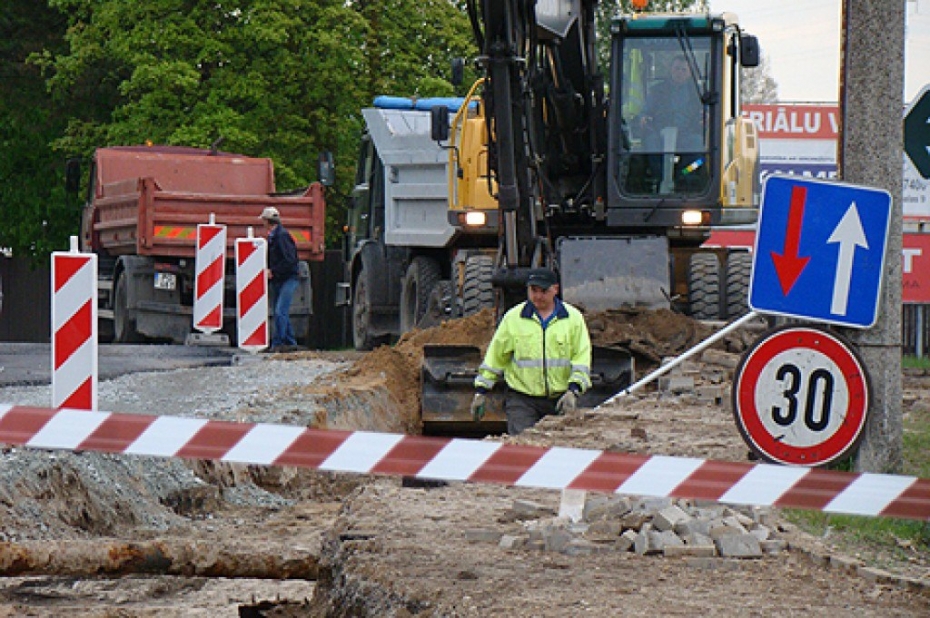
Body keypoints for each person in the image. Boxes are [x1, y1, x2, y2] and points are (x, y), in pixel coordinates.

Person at [470, 267, 592, 435]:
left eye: (543, 291)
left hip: (560, 399)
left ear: (555, 289)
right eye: (533, 290)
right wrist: (481, 391)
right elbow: (496, 357)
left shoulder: (573, 319)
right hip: (522, 399)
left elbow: (581, 359)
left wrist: (573, 391)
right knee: (522, 449)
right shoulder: (513, 318)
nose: (538, 296)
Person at [260, 206, 300, 352]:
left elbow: (289, 260)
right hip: (282, 278)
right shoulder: (276, 235)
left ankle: (278, 343)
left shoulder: (280, 236)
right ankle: (290, 342)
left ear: (267, 221)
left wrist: (273, 271)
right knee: (281, 311)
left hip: (288, 278)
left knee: (279, 311)